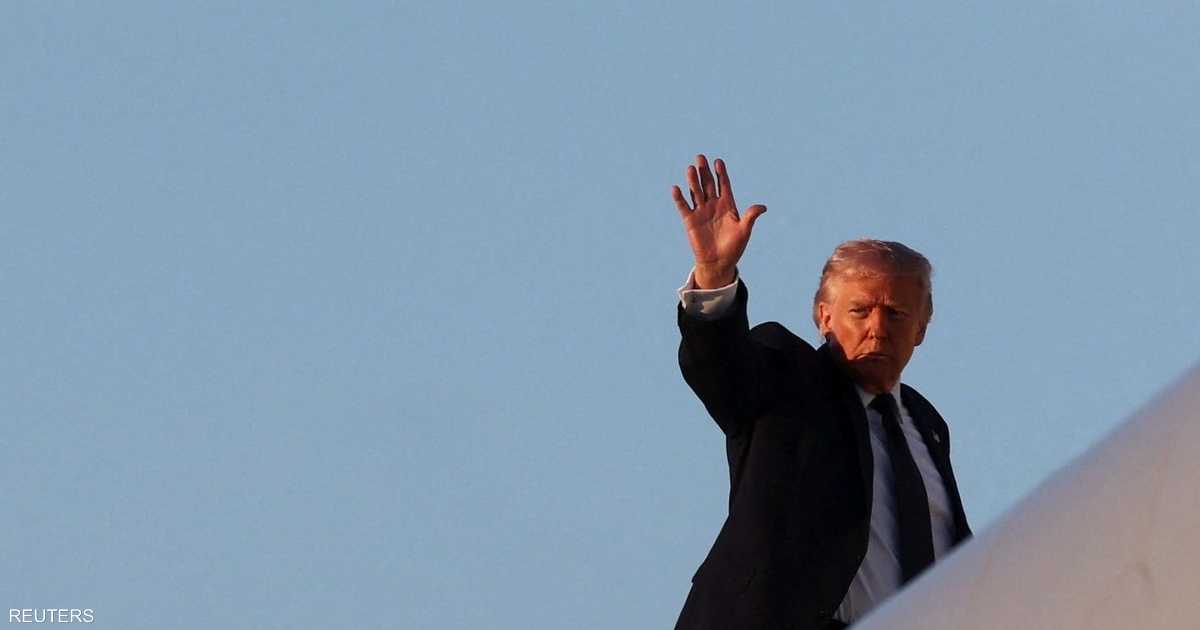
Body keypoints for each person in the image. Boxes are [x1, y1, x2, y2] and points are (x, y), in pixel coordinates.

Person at [670, 154, 972, 629]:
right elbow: (722, 368)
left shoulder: (927, 425)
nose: (877, 328)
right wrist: (714, 277)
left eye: (896, 314)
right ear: (824, 317)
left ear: (921, 328)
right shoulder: (790, 379)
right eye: (860, 311)